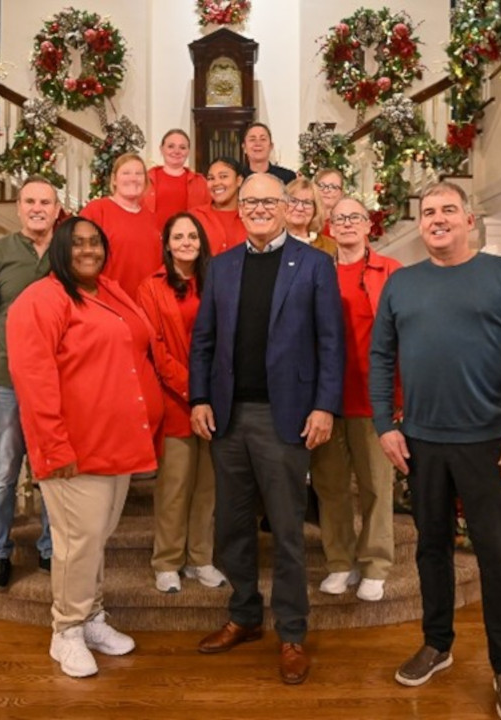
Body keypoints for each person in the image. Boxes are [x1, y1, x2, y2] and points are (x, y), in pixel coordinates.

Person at [369, 181, 501, 720]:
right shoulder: (402, 284)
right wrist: (385, 424)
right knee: (431, 549)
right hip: (421, 443)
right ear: (420, 224)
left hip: (490, 442)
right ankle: (437, 644)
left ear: (469, 220)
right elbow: (381, 358)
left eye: (448, 209)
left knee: (496, 556)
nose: (437, 219)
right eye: (428, 212)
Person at [189, 173, 344, 685]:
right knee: (232, 527)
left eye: (267, 201)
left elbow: (330, 343)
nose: (258, 208)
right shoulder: (223, 266)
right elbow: (204, 340)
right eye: (249, 201)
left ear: (285, 206)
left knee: (287, 531)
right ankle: (245, 615)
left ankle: (293, 633)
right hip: (229, 417)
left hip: (288, 416)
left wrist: (324, 407)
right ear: (239, 209)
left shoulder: (316, 264)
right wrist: (200, 398)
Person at [6, 216, 164, 679]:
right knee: (77, 544)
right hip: (74, 448)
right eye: (77, 244)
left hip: (117, 443)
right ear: (59, 248)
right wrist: (54, 449)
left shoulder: (110, 290)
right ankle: (66, 630)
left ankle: (92, 617)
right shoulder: (41, 299)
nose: (88, 250)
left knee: (95, 539)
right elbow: (34, 381)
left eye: (95, 242)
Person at [0, 175, 61, 591]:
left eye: (46, 201)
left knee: (55, 471)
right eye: (30, 201)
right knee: (5, 471)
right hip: (8, 380)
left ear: (57, 209)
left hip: (60, 382)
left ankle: (49, 548)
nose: (38, 208)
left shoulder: (67, 251)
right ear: (18, 208)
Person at [310, 197, 401, 602]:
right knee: (330, 487)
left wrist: (400, 398)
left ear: (368, 225)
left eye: (355, 217)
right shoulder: (316, 270)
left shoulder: (391, 272)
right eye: (339, 218)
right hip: (326, 399)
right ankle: (339, 562)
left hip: (375, 398)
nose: (346, 224)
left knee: (376, 487)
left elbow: (405, 338)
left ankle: (376, 564)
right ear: (329, 226)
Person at [136, 213, 226, 594]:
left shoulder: (218, 281)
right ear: (167, 243)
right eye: (179, 236)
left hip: (217, 397)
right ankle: (167, 562)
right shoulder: (150, 286)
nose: (186, 242)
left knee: (208, 486)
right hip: (176, 398)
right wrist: (194, 391)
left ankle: (200, 558)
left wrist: (212, 391)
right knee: (174, 486)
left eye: (192, 236)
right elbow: (155, 346)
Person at [80, 153, 159, 298]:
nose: (133, 178)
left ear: (146, 180)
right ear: (114, 180)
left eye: (139, 173)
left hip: (146, 306)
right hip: (107, 301)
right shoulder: (97, 210)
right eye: (126, 173)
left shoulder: (153, 218)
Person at [143, 129, 210, 232]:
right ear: (161, 149)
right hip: (151, 240)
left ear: (188, 151)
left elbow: (209, 215)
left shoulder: (201, 182)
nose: (177, 151)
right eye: (171, 146)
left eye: (182, 147)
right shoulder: (144, 179)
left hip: (186, 243)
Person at [190, 157, 246, 255]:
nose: (216, 183)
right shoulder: (194, 217)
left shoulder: (251, 215)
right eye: (211, 178)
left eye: (223, 176)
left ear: (239, 180)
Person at [283, 177, 336, 255]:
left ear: (315, 209)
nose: (299, 208)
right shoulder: (271, 241)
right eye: (293, 201)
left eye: (307, 203)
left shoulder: (330, 246)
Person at [313, 168, 346, 237]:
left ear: (341, 193)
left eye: (333, 187)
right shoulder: (304, 220)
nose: (326, 190)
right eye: (321, 186)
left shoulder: (349, 224)